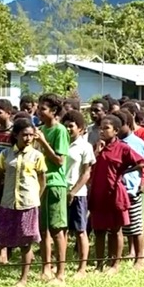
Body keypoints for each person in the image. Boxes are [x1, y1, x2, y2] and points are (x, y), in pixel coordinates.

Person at [0, 119, 45, 287]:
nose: (28, 138)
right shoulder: (6, 154)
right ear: (16, 135)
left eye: (31, 135)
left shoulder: (37, 156)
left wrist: (36, 198)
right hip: (8, 202)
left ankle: (23, 279)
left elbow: (42, 180)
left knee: (26, 242)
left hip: (28, 203)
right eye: (25, 135)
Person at [89, 114, 144, 274]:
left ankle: (114, 264)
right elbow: (89, 167)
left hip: (114, 193)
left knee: (115, 230)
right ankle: (99, 264)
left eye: (106, 128)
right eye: (101, 128)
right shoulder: (96, 147)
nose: (102, 131)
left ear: (115, 131)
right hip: (98, 193)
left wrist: (123, 171)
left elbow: (142, 163)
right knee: (98, 231)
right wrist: (96, 152)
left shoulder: (123, 148)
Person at [34, 94, 71, 284]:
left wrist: (43, 142)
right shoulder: (40, 130)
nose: (39, 112)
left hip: (55, 183)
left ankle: (61, 273)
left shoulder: (60, 130)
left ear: (54, 111)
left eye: (43, 109)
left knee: (57, 230)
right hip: (40, 184)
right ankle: (45, 268)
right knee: (43, 229)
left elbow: (59, 160)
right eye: (38, 108)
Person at [117, 109, 144, 270]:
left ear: (127, 124)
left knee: (136, 225)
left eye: (119, 126)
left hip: (133, 189)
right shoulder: (114, 142)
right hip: (117, 190)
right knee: (121, 225)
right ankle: (125, 254)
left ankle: (141, 257)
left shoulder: (137, 143)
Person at [61, 111, 95, 277]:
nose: (68, 129)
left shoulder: (85, 147)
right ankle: (60, 264)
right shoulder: (61, 143)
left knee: (80, 230)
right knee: (62, 230)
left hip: (78, 193)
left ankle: (82, 268)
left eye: (71, 126)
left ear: (80, 128)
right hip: (61, 191)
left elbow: (86, 173)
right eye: (65, 126)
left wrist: (73, 192)